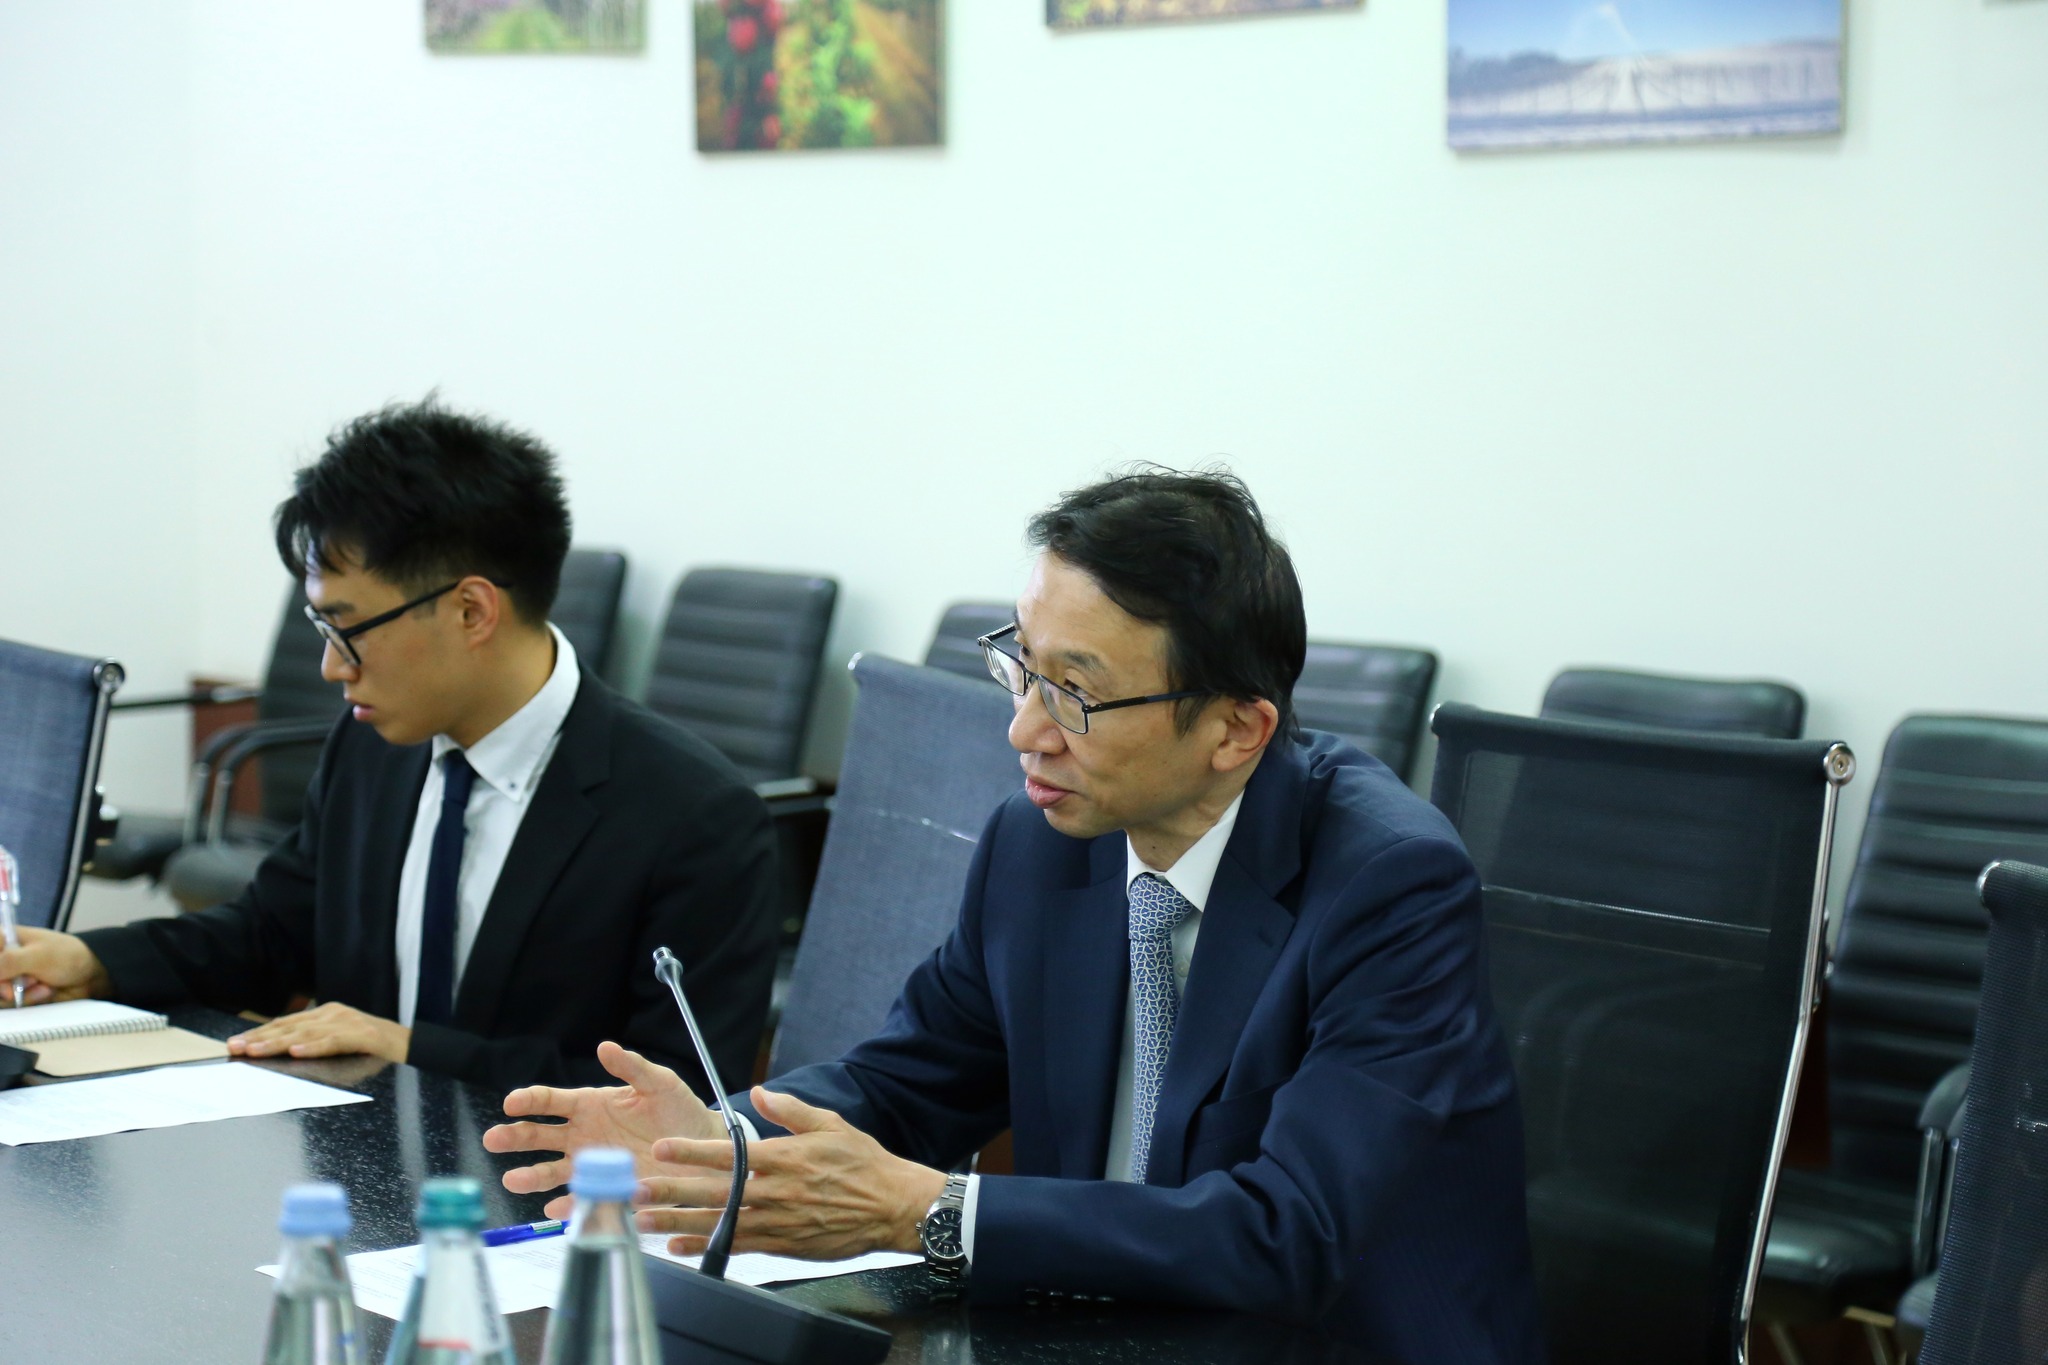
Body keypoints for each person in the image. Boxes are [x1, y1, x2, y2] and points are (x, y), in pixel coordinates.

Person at [482, 470, 1544, 1361]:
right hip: (1095, 1331)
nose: (1024, 730)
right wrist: (723, 1142)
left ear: (1235, 730)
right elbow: (909, 1081)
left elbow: (1288, 1233)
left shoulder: (1389, 886)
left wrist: (928, 1210)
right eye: (1023, 668)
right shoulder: (1040, 841)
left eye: (1074, 693)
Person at [0, 400, 780, 1095]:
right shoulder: (376, 744)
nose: (330, 667)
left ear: (472, 610)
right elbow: (274, 932)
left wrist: (413, 1050)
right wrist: (92, 961)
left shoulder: (690, 815)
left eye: (348, 629)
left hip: (547, 1194)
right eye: (321, 627)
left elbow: (681, 1098)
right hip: (357, 1167)